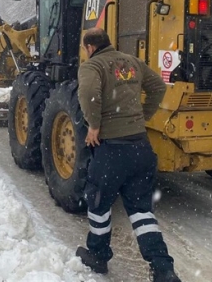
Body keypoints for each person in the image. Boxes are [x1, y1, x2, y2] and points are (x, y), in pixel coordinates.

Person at [76, 27, 181, 282]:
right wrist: (142, 116)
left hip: (112, 149)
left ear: (89, 47)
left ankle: (98, 256)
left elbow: (89, 94)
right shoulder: (131, 62)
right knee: (141, 211)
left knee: (99, 204)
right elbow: (158, 87)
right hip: (140, 148)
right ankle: (163, 268)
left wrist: (94, 126)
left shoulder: (92, 66)